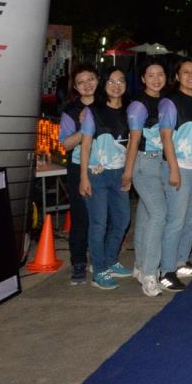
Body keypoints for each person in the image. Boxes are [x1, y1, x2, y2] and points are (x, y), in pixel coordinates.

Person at [158, 58, 192, 292]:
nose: (191, 76)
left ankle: (181, 262)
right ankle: (166, 271)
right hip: (180, 167)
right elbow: (166, 137)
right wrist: (173, 169)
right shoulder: (170, 102)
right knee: (176, 221)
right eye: (186, 72)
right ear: (177, 76)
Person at [78, 67, 133, 290]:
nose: (116, 85)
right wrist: (83, 177)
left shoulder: (129, 111)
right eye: (111, 81)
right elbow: (85, 146)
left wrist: (129, 173)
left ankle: (111, 260)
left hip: (120, 174)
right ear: (104, 84)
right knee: (99, 223)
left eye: (121, 81)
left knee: (122, 220)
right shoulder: (93, 111)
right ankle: (99, 269)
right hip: (97, 174)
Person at [125, 60, 170, 297]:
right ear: (142, 78)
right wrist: (128, 172)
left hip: (159, 162)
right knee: (159, 214)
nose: (156, 79)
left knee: (146, 214)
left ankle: (141, 266)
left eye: (160, 74)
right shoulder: (139, 105)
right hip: (143, 163)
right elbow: (133, 141)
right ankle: (151, 274)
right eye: (150, 75)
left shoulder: (164, 101)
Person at [57, 65, 97, 285]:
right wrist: (85, 128)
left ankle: (102, 260)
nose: (87, 85)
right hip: (78, 168)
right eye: (81, 82)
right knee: (81, 218)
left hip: (106, 167)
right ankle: (79, 262)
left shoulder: (108, 103)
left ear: (98, 80)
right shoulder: (71, 111)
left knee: (105, 218)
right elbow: (65, 144)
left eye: (91, 79)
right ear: (75, 86)